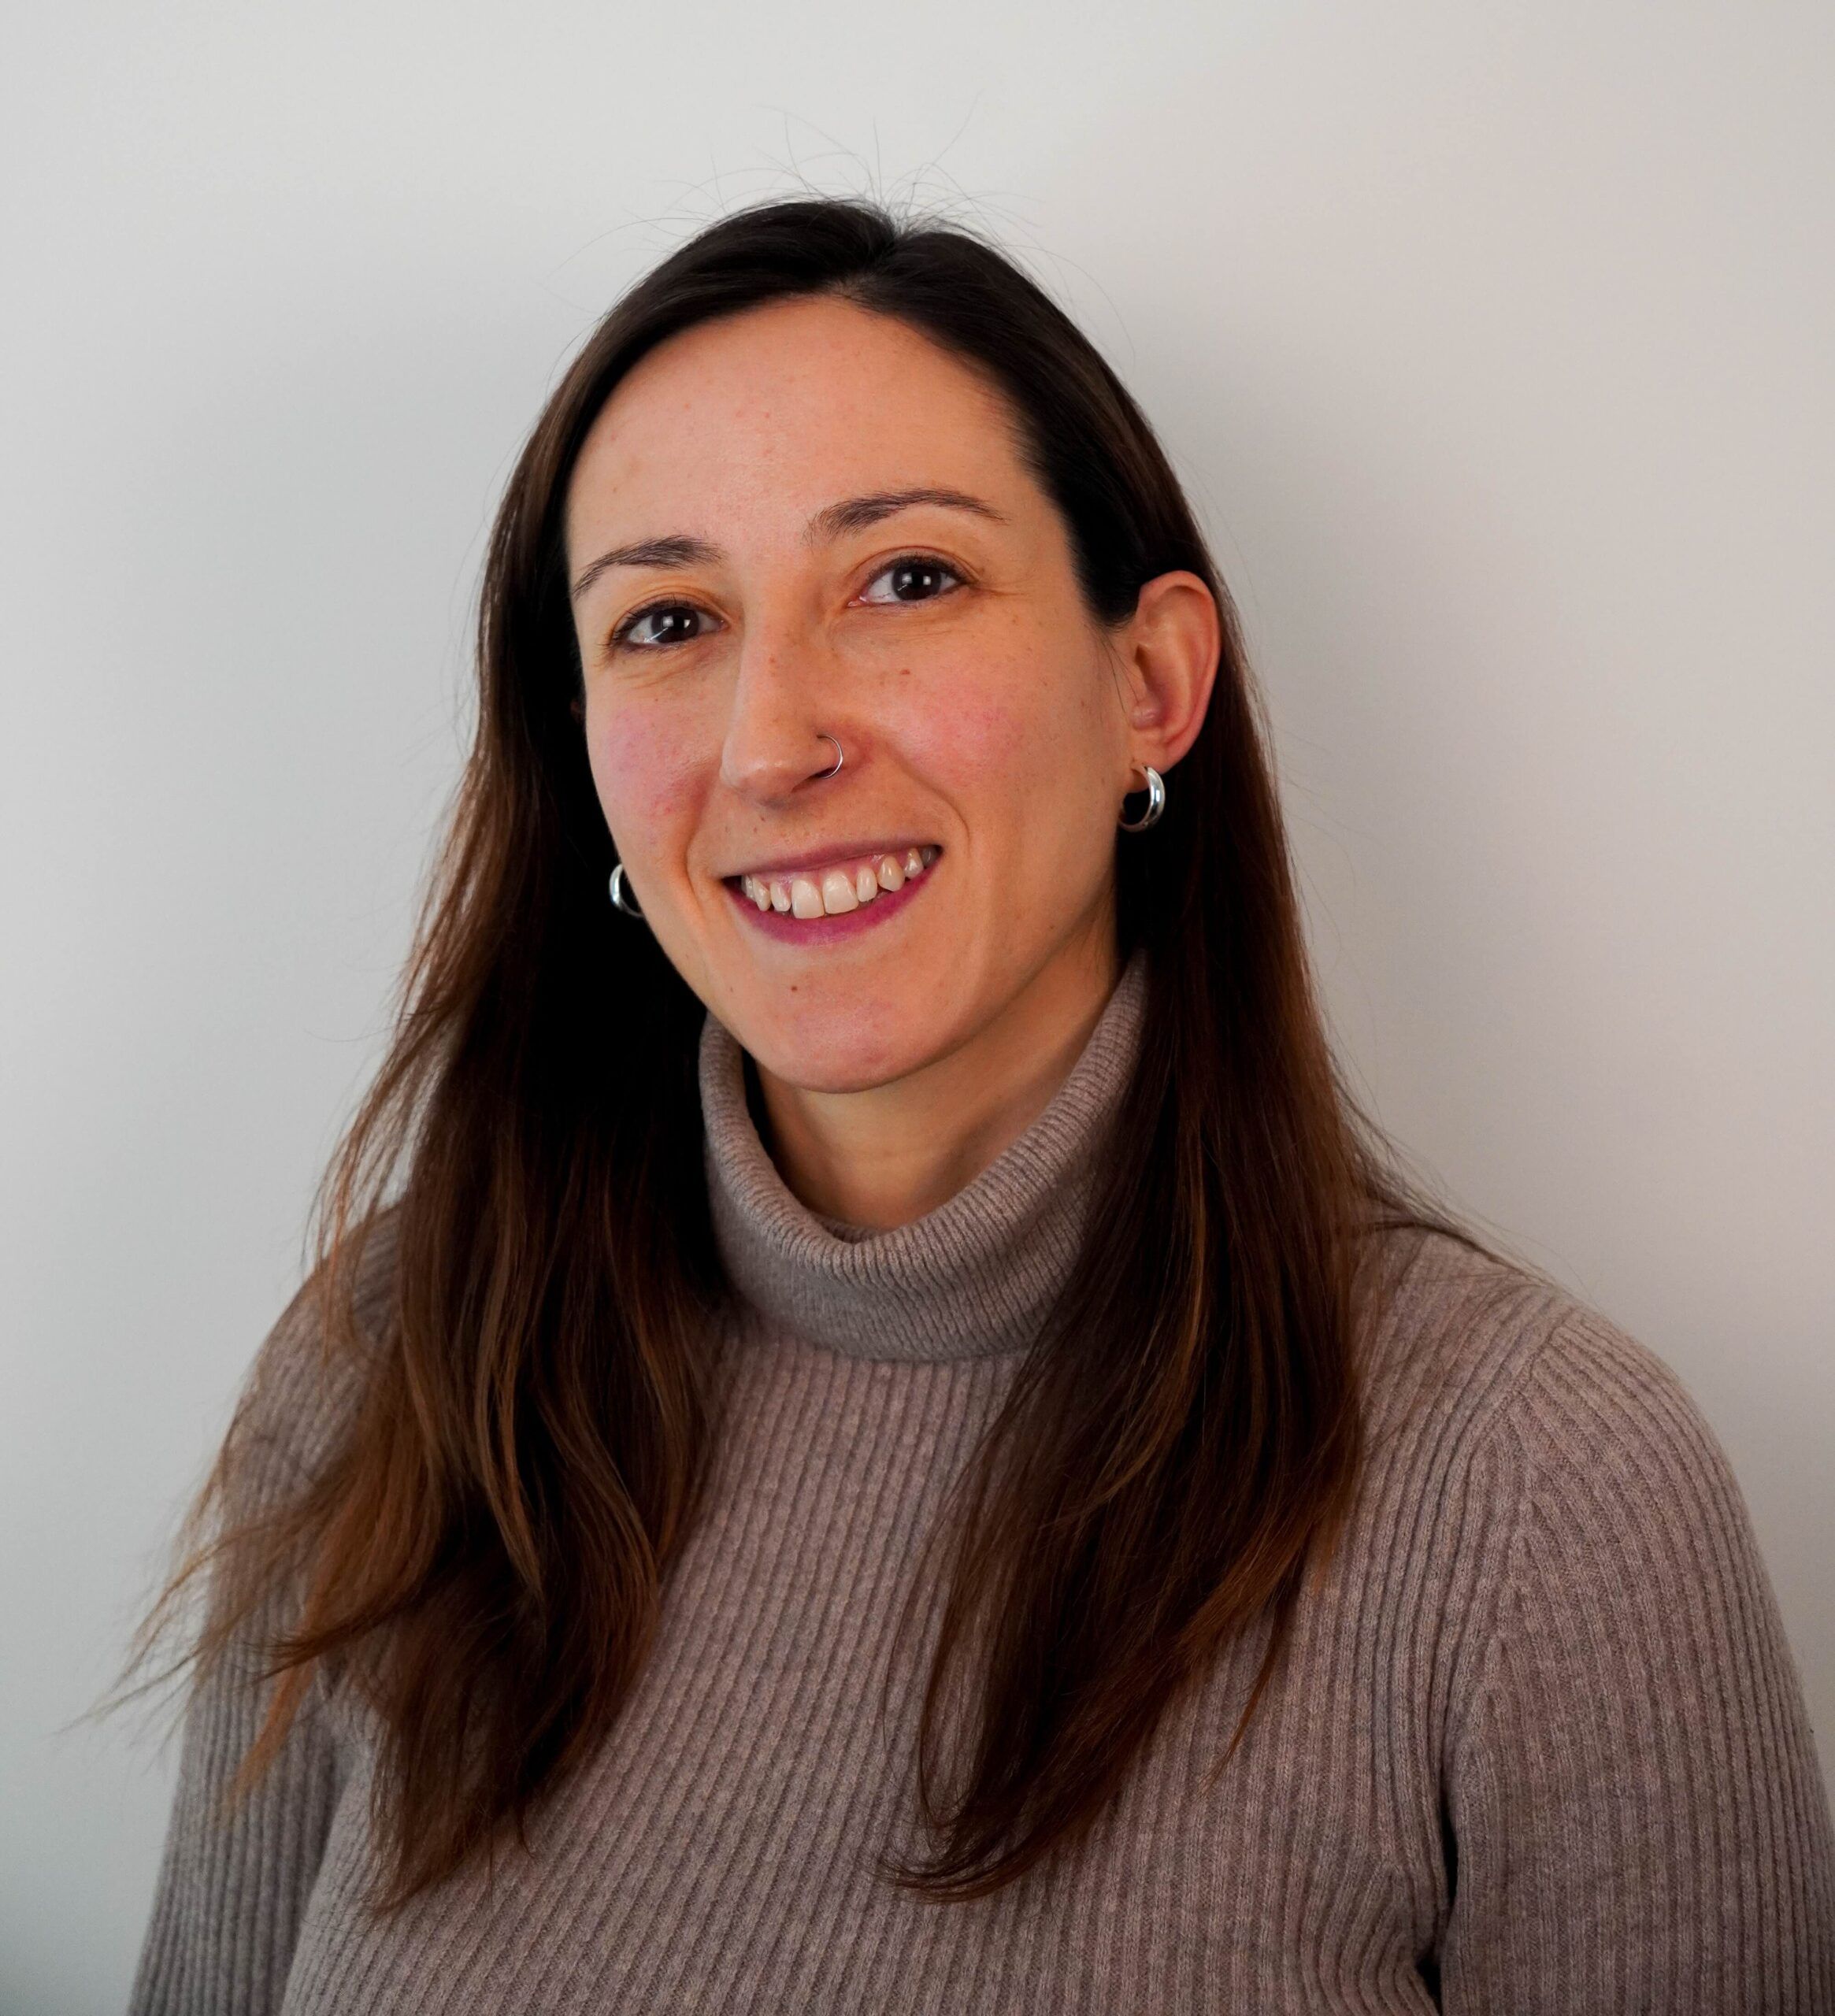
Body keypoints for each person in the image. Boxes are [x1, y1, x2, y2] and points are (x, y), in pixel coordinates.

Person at [124, 195, 1833, 2014]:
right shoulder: (393, 1359)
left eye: (907, 579)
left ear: (1149, 681)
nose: (771, 740)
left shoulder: (1538, 1493)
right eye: (669, 619)